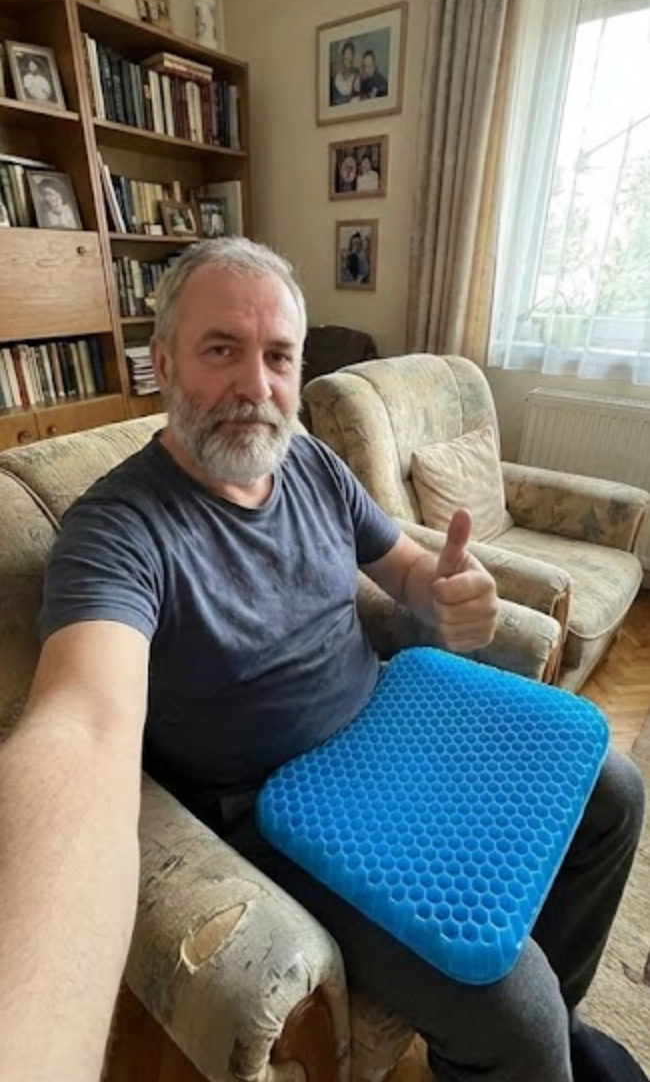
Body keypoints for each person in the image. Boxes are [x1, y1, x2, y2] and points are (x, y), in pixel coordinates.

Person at [0, 237, 646, 1082]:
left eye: (278, 357)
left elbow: (402, 567)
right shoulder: (116, 530)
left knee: (615, 791)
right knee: (512, 1006)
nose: (255, 385)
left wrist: (442, 591)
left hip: (388, 716)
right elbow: (82, 728)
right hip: (272, 806)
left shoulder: (307, 459)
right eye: (221, 349)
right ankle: (531, 1041)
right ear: (163, 360)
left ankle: (560, 1024)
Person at [330, 39, 360, 105]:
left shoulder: (356, 74)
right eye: (345, 54)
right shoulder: (337, 75)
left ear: (352, 56)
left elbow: (357, 95)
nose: (347, 57)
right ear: (343, 55)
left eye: (349, 54)